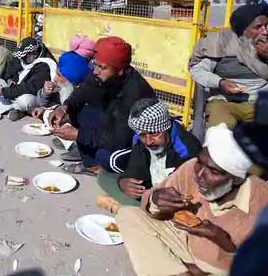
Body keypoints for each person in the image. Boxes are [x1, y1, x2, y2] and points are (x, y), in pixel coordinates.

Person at [116, 123, 268, 276]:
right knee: (129, 214)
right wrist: (155, 200)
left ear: (236, 179)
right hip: (184, 243)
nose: (199, 175)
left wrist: (223, 242)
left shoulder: (261, 202)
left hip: (222, 267)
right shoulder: (191, 168)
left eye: (213, 171)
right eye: (200, 163)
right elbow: (149, 201)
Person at [49, 36, 156, 174]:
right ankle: (90, 162)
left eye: (102, 67)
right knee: (77, 109)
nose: (95, 71)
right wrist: (64, 107)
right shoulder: (102, 74)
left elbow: (120, 139)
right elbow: (85, 89)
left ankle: (100, 168)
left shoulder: (135, 93)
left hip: (136, 142)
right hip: (114, 122)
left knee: (107, 157)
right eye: (95, 64)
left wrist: (79, 135)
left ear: (120, 70)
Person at [97, 98, 202, 211]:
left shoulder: (188, 150)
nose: (148, 141)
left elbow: (186, 193)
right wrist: (124, 182)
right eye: (143, 135)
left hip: (170, 202)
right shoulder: (139, 139)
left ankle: (125, 209)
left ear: (166, 127)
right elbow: (135, 168)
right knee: (104, 177)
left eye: (154, 133)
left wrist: (152, 198)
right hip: (150, 190)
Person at [189, 3, 268, 129]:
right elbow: (197, 70)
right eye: (258, 27)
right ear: (243, 30)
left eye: (266, 25)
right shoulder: (221, 44)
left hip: (260, 102)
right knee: (221, 129)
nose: (265, 31)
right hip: (225, 102)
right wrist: (219, 82)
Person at [0, 37, 56, 121]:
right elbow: (10, 69)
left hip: (30, 94)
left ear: (35, 54)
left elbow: (29, 88)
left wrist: (2, 92)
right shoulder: (24, 56)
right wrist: (10, 79)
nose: (21, 59)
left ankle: (9, 107)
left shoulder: (44, 66)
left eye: (24, 57)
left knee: (25, 100)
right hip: (14, 88)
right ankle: (10, 109)